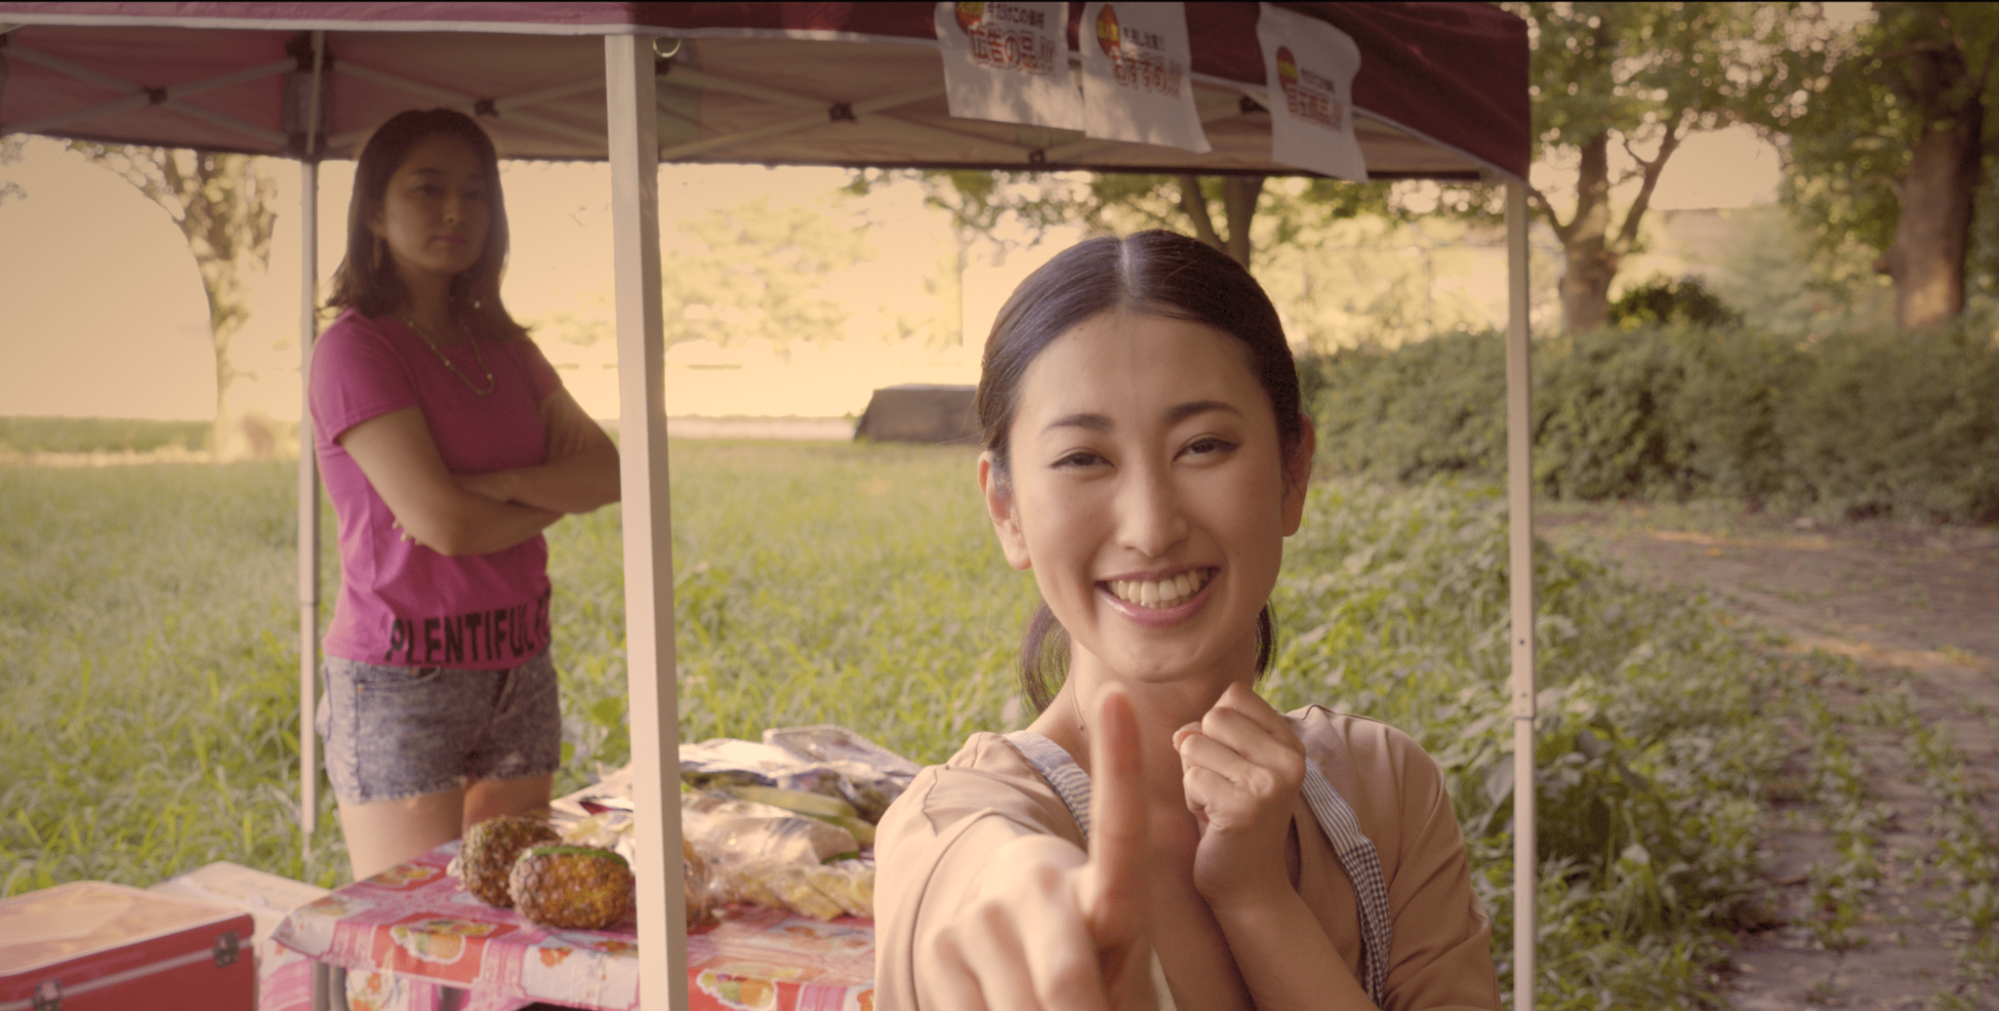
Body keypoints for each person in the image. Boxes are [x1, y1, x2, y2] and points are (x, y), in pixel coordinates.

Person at [874, 230, 1499, 1010]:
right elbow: (986, 879)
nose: (1150, 528)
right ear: (1006, 509)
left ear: (1293, 472)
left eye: (1202, 446)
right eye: (1082, 458)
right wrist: (1032, 896)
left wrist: (1257, 900)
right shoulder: (956, 826)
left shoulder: (1386, 787)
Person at [309, 109, 619, 881]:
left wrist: (503, 487)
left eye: (476, 193)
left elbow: (610, 473)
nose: (456, 211)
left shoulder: (507, 348)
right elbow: (444, 524)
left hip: (520, 663)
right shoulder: (355, 348)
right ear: (373, 213)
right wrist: (550, 500)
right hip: (402, 677)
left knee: (513, 909)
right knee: (412, 920)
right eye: (428, 189)